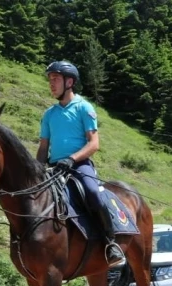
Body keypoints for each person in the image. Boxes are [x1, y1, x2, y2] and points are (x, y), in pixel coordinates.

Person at [36, 60, 125, 267]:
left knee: (93, 192)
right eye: (50, 79)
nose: (51, 83)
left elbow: (94, 144)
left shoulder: (84, 108)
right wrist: (36, 170)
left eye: (55, 79)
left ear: (70, 82)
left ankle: (110, 242)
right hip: (54, 168)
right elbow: (42, 149)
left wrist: (72, 158)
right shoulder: (49, 114)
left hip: (79, 166)